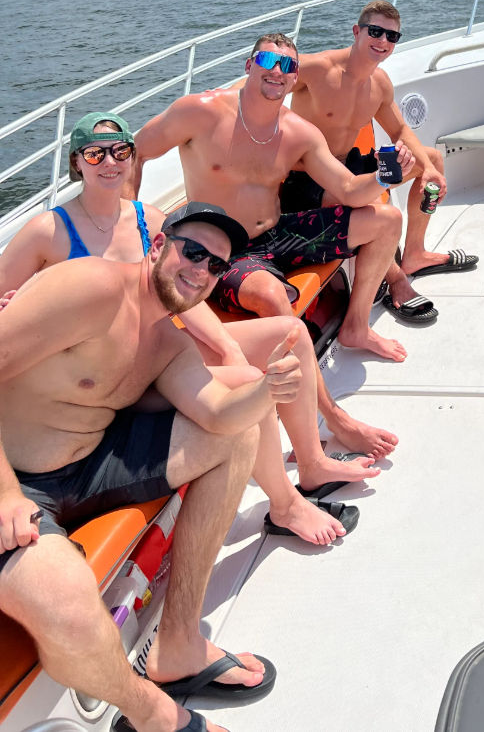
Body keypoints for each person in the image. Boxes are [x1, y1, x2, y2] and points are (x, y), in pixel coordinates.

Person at [0, 113, 395, 543]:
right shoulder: (48, 231)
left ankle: (312, 461)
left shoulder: (147, 219)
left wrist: (225, 344)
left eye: (121, 151)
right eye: (95, 153)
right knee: (245, 380)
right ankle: (286, 505)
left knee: (290, 333)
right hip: (101, 373)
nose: (110, 162)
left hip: (159, 346)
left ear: (132, 158)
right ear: (77, 162)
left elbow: (183, 288)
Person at [0, 201, 293, 732]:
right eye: (193, 251)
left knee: (236, 435)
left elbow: (218, 413)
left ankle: (179, 642)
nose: (201, 270)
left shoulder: (169, 340)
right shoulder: (89, 287)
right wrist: (4, 495)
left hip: (88, 465)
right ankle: (154, 715)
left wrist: (268, 391)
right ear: (157, 247)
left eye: (215, 266)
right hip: (11, 476)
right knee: (67, 607)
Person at [130, 33, 416, 362]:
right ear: (250, 65)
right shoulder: (200, 112)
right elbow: (136, 153)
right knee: (271, 295)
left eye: (288, 65)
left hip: (279, 235)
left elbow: (350, 190)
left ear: (296, 76)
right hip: (225, 249)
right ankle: (311, 396)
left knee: (387, 221)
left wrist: (384, 175)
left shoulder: (299, 133)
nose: (277, 71)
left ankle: (356, 326)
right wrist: (131, 230)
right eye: (268, 61)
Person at [285, 0, 477, 324]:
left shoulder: (379, 84)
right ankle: (396, 278)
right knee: (366, 204)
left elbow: (400, 129)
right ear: (357, 31)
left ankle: (415, 253)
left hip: (349, 165)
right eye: (376, 32)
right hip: (307, 178)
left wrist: (428, 170)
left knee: (430, 159)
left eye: (392, 36)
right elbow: (263, 78)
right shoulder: (318, 69)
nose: (383, 41)